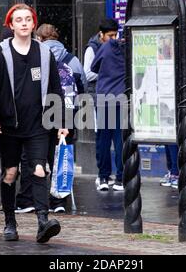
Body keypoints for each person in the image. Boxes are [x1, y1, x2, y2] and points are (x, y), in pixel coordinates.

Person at [0, 3, 68, 243]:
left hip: (39, 125)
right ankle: (10, 222)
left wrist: (61, 120)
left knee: (40, 169)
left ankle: (43, 221)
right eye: (18, 20)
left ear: (33, 24)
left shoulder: (44, 53)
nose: (23, 23)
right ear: (11, 25)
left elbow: (55, 88)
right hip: (9, 127)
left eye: (27, 19)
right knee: (10, 173)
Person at [36, 23, 86, 213]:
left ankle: (38, 200)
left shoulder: (36, 57)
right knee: (63, 155)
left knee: (41, 154)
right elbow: (82, 86)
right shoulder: (71, 59)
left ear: (39, 38)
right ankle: (59, 201)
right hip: (67, 113)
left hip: (42, 112)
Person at [160, 44, 186, 188]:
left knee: (173, 140)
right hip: (183, 110)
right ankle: (175, 172)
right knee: (180, 140)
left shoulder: (182, 68)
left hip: (175, 109)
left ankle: (175, 172)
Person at [91, 37, 125, 192]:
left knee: (103, 139)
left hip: (105, 98)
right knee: (120, 140)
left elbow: (93, 67)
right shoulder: (128, 49)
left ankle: (104, 177)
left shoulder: (105, 47)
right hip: (122, 98)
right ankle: (120, 178)